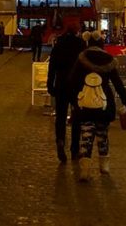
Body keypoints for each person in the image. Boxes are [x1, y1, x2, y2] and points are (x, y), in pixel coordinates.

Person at [68, 38, 126, 182]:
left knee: (86, 134)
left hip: (85, 103)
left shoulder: (82, 59)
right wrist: (125, 101)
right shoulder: (109, 61)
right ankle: (104, 165)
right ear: (102, 46)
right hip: (104, 103)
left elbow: (72, 81)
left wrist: (74, 100)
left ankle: (85, 169)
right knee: (102, 134)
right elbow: (117, 83)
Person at [47, 24, 85, 163]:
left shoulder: (58, 45)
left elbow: (52, 67)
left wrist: (50, 85)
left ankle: (60, 140)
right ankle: (75, 149)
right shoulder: (80, 44)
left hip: (61, 85)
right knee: (76, 118)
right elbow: (84, 65)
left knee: (61, 117)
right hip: (77, 86)